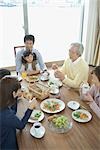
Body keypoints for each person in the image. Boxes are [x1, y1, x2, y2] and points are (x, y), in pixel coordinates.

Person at [0, 76, 36, 149]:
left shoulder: (3, 100)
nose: (21, 91)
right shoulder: (6, 115)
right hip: (6, 143)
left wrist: (16, 97)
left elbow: (14, 111)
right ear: (13, 93)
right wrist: (30, 108)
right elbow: (21, 126)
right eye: (19, 90)